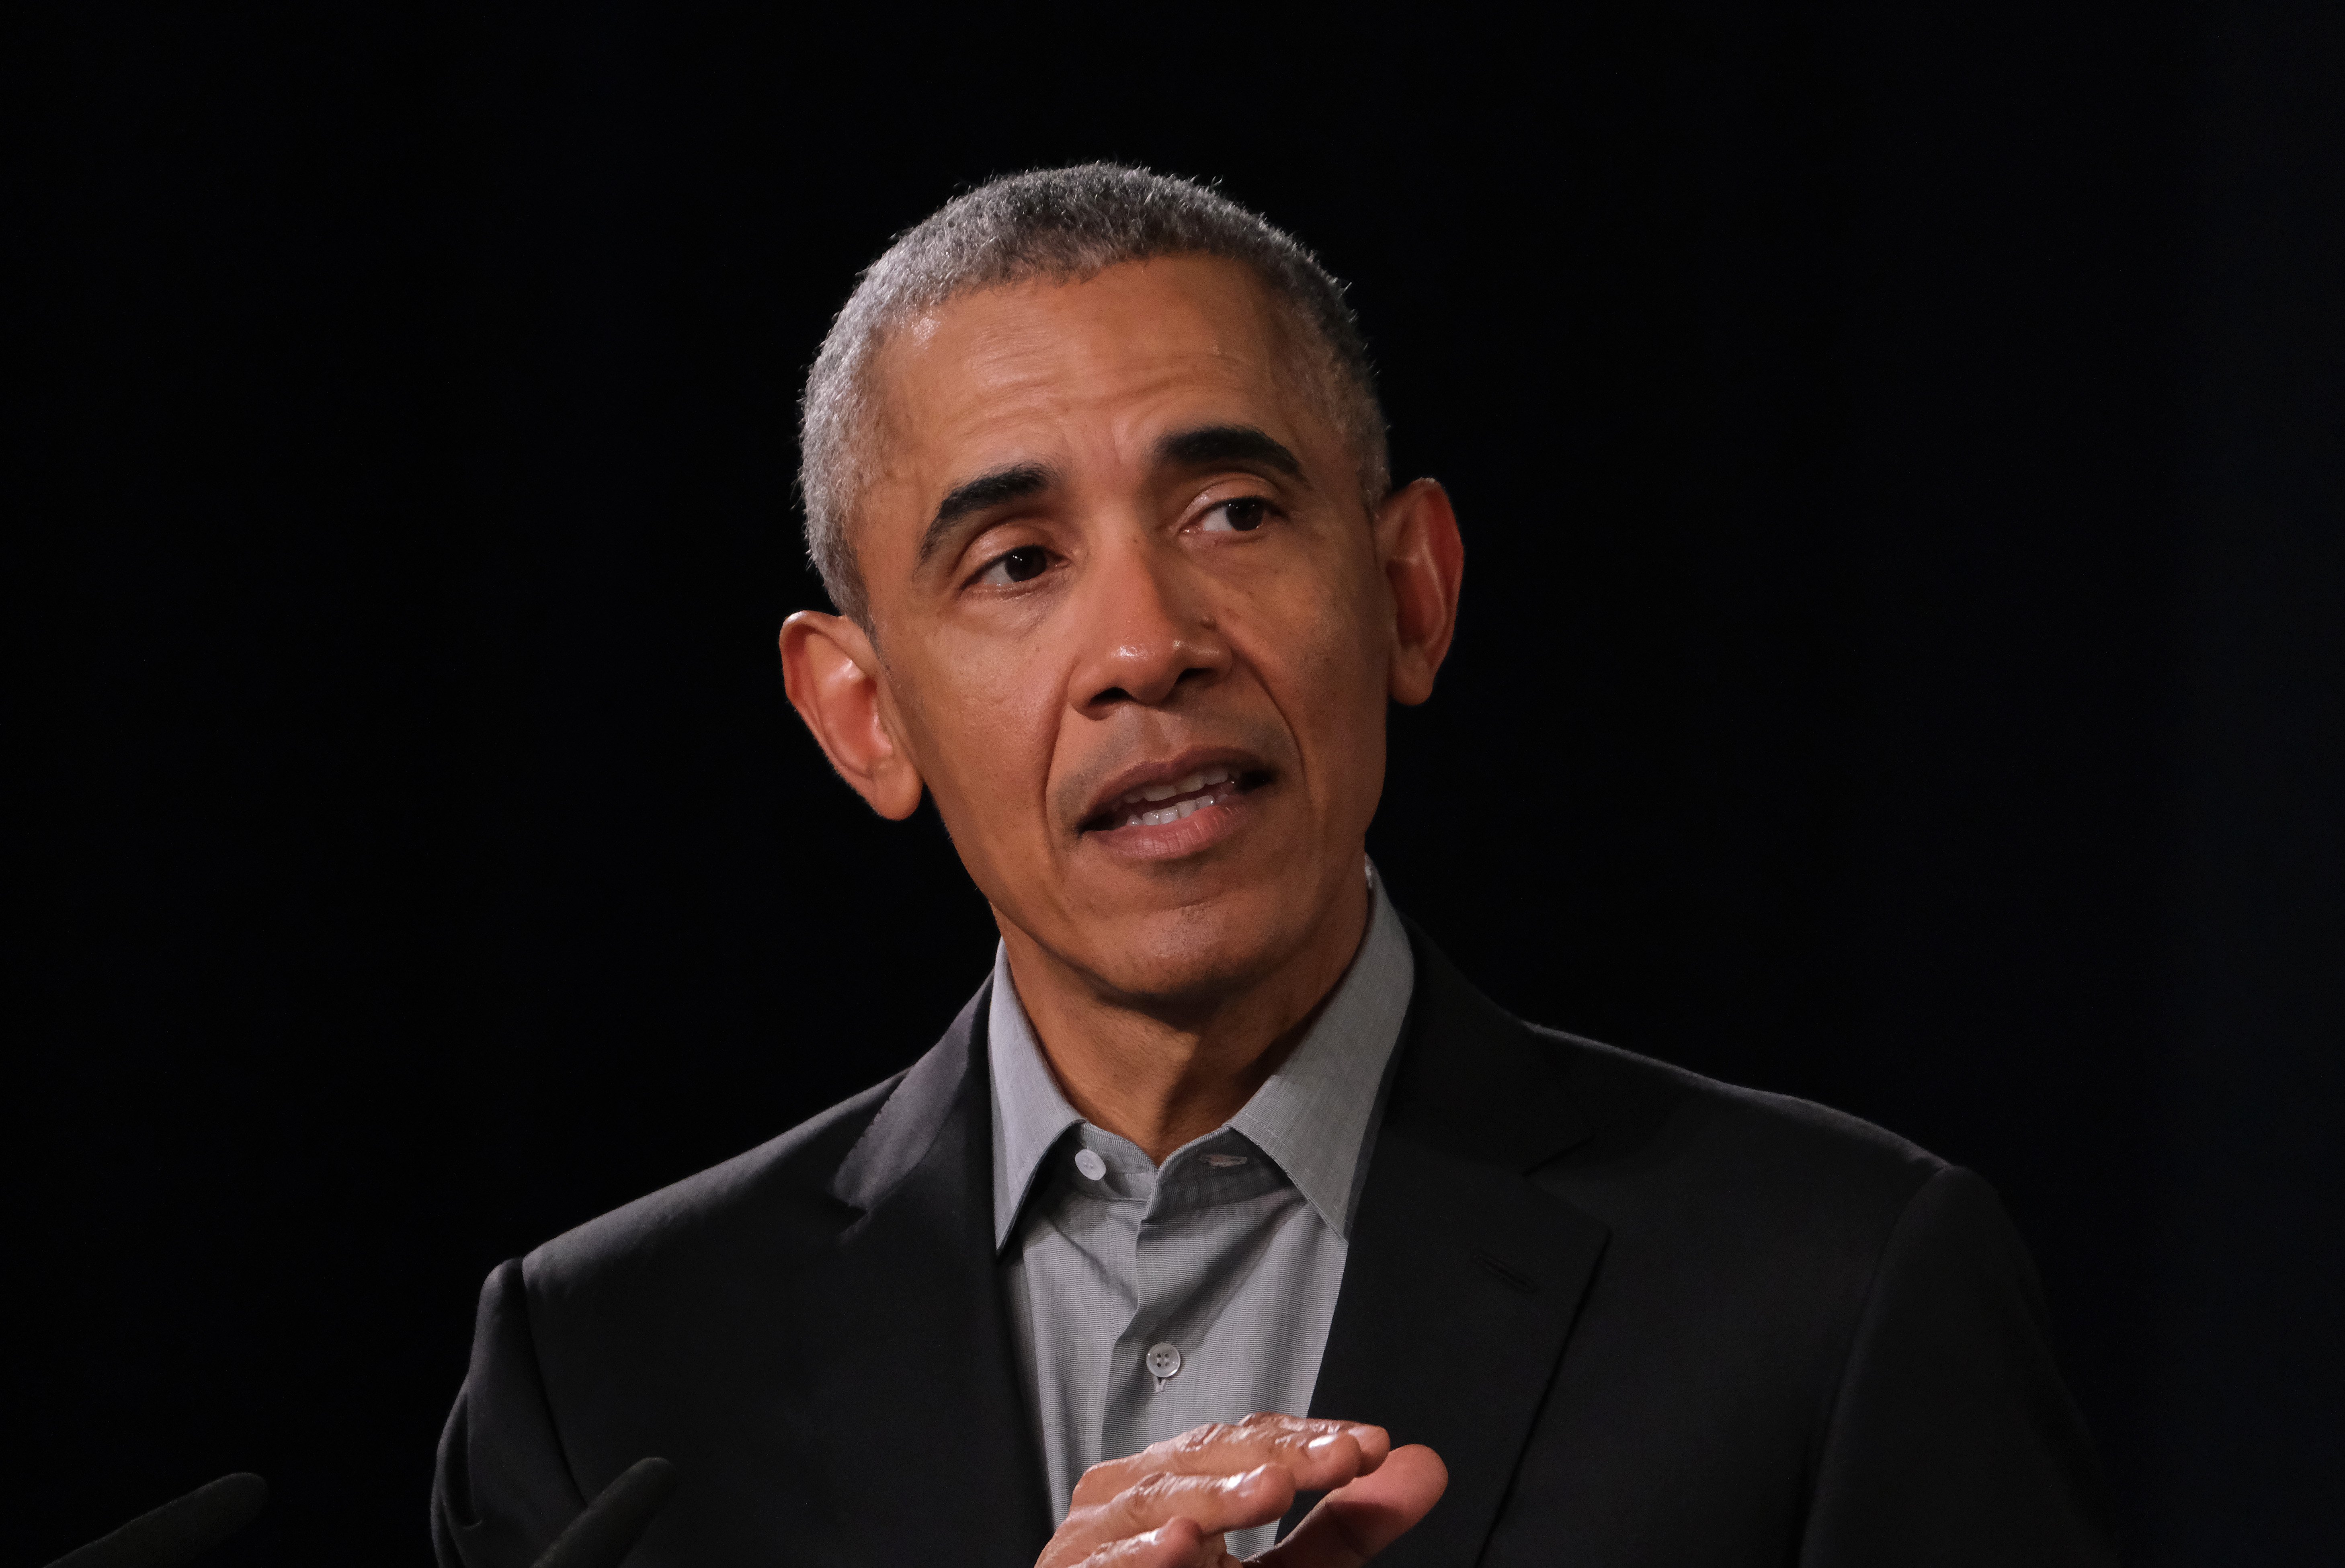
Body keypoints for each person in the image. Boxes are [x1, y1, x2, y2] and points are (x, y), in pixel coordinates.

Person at [432, 164, 2117, 1568]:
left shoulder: (1832, 1293)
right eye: (1017, 560)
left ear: (1410, 594)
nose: (1147, 645)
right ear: (862, 714)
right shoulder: (611, 1375)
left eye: (1233, 511)